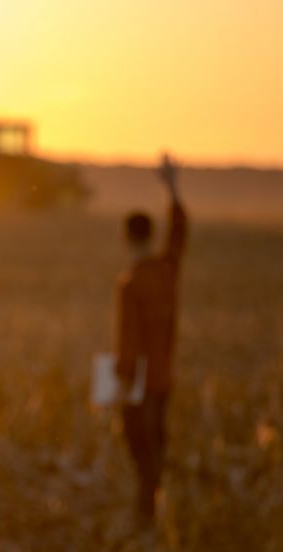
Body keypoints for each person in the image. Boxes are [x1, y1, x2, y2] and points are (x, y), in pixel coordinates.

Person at [115, 153, 188, 523]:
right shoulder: (166, 270)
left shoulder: (130, 284)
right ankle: (155, 513)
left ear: (127, 236)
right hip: (163, 378)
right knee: (156, 446)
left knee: (141, 451)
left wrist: (120, 378)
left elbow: (129, 339)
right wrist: (172, 187)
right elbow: (179, 232)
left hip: (138, 383)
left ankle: (146, 518)